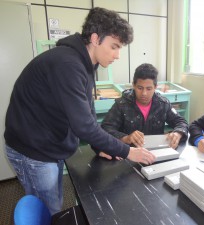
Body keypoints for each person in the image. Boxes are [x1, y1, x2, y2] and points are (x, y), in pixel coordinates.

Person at [4, 7, 155, 215]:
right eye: (114, 46)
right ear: (95, 38)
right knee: (50, 211)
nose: (117, 55)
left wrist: (98, 145)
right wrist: (128, 152)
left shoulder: (85, 64)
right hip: (32, 151)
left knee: (55, 201)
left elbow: (88, 112)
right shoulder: (68, 64)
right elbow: (84, 126)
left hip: (48, 143)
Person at [100, 63, 188, 159]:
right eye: (140, 88)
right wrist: (125, 138)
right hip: (129, 155)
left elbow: (181, 122)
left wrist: (177, 133)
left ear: (155, 87)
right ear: (133, 85)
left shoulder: (163, 104)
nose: (144, 93)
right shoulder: (122, 104)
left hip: (155, 155)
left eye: (149, 89)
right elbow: (105, 128)